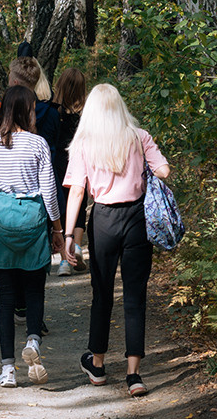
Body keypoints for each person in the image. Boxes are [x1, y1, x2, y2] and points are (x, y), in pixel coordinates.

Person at [62, 83, 168, 396]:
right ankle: (134, 375)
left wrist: (69, 236)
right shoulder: (139, 136)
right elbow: (162, 171)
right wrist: (147, 167)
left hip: (104, 220)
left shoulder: (84, 144)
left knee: (102, 293)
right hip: (137, 220)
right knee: (135, 296)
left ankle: (97, 364)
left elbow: (77, 191)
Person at [0, 86, 64, 388]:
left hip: (1, 223)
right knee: (35, 290)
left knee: (6, 298)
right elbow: (49, 191)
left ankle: (7, 369)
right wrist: (57, 229)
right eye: (33, 108)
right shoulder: (38, 144)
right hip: (32, 223)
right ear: (25, 111)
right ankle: (33, 341)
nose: (35, 113)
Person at [10, 58, 63, 274]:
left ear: (13, 82)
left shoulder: (4, 114)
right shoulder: (51, 114)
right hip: (42, 192)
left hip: (10, 195)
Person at [51, 68, 88, 274]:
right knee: (80, 204)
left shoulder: (54, 112)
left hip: (58, 163)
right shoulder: (85, 115)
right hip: (80, 161)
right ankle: (77, 247)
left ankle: (65, 260)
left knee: (62, 206)